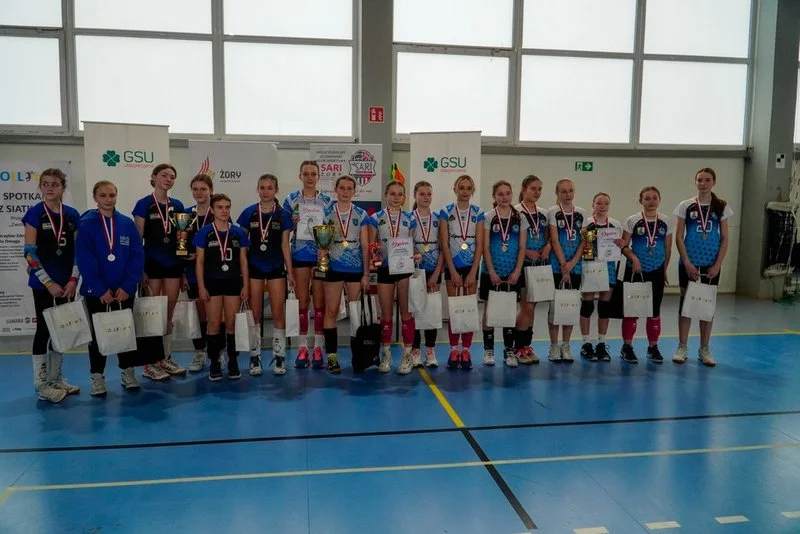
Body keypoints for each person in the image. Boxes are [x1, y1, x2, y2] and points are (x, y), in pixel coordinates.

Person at [76, 181, 146, 396]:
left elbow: (136, 256)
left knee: (126, 333)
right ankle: (97, 377)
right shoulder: (86, 224)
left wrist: (128, 286)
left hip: (124, 291)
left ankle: (128, 372)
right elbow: (84, 259)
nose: (108, 199)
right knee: (98, 335)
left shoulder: (126, 223)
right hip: (97, 292)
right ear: (95, 197)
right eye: (103, 195)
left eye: (112, 195)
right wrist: (99, 289)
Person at [22, 168, 81, 403]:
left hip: (67, 283)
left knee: (61, 329)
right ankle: (41, 384)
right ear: (40, 187)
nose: (49, 188)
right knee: (44, 331)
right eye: (45, 183)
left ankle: (56, 378)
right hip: (43, 284)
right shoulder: (35, 213)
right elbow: (29, 253)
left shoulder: (72, 215)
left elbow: (78, 251)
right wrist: (48, 283)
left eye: (55, 184)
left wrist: (73, 280)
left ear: (63, 187)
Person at [673, 168, 733, 367]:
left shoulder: (721, 206)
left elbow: (725, 238)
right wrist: (687, 262)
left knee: (706, 306)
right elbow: (679, 237)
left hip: (711, 264)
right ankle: (682, 346)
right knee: (686, 305)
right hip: (689, 262)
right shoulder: (686, 205)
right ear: (695, 182)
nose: (703, 183)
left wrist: (717, 265)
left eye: (707, 180)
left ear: (714, 182)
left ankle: (704, 348)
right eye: (699, 180)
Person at [132, 163, 186, 380]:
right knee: (152, 314)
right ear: (154, 177)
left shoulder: (178, 205)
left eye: (172, 177)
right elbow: (138, 240)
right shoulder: (143, 204)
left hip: (173, 265)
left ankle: (165, 357)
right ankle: (149, 363)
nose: (168, 179)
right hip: (152, 265)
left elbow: (182, 239)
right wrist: (140, 269)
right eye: (164, 175)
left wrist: (183, 269)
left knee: (168, 314)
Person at [237, 174, 294, 376]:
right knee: (255, 314)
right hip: (254, 268)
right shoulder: (248, 213)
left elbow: (285, 245)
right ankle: (255, 357)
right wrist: (242, 272)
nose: (266, 191)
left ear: (276, 190)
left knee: (278, 313)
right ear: (257, 189)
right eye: (262, 187)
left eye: (270, 188)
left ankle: (279, 356)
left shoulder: (283, 214)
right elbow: (242, 247)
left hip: (276, 267)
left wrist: (290, 271)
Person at [283, 161, 334, 369]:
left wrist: (325, 248)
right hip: (299, 256)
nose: (310, 177)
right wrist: (293, 223)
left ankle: (318, 348)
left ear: (318, 176)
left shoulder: (327, 201)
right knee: (302, 304)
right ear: (300, 176)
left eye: (313, 174)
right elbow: (284, 231)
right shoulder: (291, 200)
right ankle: (302, 348)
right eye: (306, 174)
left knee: (320, 305)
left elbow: (332, 229)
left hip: (320, 256)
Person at [194, 194, 250, 381]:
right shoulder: (204, 232)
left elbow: (243, 261)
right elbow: (199, 262)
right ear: (212, 210)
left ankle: (233, 360)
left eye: (227, 207)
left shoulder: (238, 232)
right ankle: (214, 362)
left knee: (232, 324)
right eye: (219, 207)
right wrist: (201, 286)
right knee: (214, 324)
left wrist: (246, 285)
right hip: (212, 282)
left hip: (233, 282)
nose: (224, 210)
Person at [321, 175, 371, 374]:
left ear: (354, 191)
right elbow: (321, 241)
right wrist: (321, 253)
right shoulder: (326, 212)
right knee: (331, 311)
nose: (345, 191)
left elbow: (365, 246)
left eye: (349, 188)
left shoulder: (361, 214)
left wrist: (366, 274)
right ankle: (332, 356)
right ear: (336, 190)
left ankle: (357, 355)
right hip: (333, 268)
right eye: (342, 188)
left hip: (355, 269)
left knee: (355, 314)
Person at [619, 187, 672, 363]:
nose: (651, 201)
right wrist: (634, 259)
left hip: (656, 270)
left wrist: (664, 269)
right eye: (647, 198)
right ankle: (627, 347)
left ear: (659, 200)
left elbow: (667, 248)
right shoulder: (632, 220)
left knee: (654, 311)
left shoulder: (666, 221)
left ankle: (653, 347)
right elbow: (623, 245)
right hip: (635, 270)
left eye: (654, 198)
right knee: (631, 311)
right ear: (640, 200)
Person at [370, 180, 417, 374]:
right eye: (392, 193)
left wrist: (417, 255)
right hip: (385, 270)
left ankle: (407, 356)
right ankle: (386, 355)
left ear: (404, 197)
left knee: (406, 313)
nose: (396, 197)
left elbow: (414, 245)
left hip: (405, 269)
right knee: (386, 315)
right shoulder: (376, 218)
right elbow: (373, 245)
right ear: (386, 195)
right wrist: (374, 257)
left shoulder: (410, 218)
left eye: (400, 194)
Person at [439, 175, 485, 370]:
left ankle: (466, 349)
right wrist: (451, 270)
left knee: (468, 308)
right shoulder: (446, 211)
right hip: (453, 265)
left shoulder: (478, 213)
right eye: (461, 188)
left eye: (468, 188)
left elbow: (480, 244)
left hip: (471, 266)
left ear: (472, 191)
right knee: (454, 308)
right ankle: (453, 349)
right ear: (455, 189)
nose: (465, 191)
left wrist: (474, 271)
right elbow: (444, 242)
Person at [480, 180, 526, 367]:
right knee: (489, 310)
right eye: (500, 194)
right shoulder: (488, 217)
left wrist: (517, 271)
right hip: (491, 272)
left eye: (507, 193)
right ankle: (488, 350)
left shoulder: (520, 218)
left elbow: (522, 247)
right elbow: (485, 247)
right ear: (494, 196)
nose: (504, 197)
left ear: (512, 195)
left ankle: (509, 350)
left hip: (512, 273)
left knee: (509, 311)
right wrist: (491, 271)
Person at [547, 178, 588, 363]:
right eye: (563, 191)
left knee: (570, 306)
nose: (567, 194)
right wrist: (564, 265)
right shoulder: (553, 212)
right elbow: (554, 240)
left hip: (575, 266)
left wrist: (572, 263)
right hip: (557, 265)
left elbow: (584, 241)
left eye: (570, 190)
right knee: (555, 307)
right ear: (557, 193)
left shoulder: (582, 213)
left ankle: (566, 345)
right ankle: (554, 346)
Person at [579, 193, 621, 362]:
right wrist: (587, 242)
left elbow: (619, 246)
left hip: (608, 267)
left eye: (605, 203)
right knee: (587, 306)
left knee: (604, 307)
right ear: (593, 205)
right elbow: (585, 248)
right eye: (599, 203)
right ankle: (586, 343)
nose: (602, 206)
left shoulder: (615, 224)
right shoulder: (587, 223)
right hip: (590, 266)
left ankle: (601, 344)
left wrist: (621, 244)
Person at [514, 175, 550, 364]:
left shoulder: (543, 213)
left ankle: (527, 345)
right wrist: (527, 251)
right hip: (522, 264)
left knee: (532, 307)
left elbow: (549, 236)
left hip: (539, 266)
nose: (537, 192)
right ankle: (518, 347)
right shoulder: (515, 212)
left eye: (539, 189)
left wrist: (548, 247)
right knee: (526, 307)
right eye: (533, 188)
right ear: (524, 189)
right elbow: (510, 239)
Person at [410, 181, 443, 368]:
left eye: (428, 194)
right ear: (415, 195)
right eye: (421, 194)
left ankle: (430, 350)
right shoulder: (408, 218)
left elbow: (443, 248)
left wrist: (436, 273)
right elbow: (404, 244)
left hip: (433, 271)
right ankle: (415, 350)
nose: (425, 197)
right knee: (415, 310)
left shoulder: (438, 219)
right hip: (414, 270)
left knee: (431, 310)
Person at [183, 174, 214, 372]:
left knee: (215, 315)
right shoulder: (185, 215)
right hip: (192, 273)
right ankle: (200, 352)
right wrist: (183, 273)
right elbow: (179, 246)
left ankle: (217, 352)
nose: (199, 192)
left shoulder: (219, 212)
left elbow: (225, 243)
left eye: (203, 189)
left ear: (211, 190)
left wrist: (202, 255)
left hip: (214, 273)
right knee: (198, 315)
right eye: (195, 189)